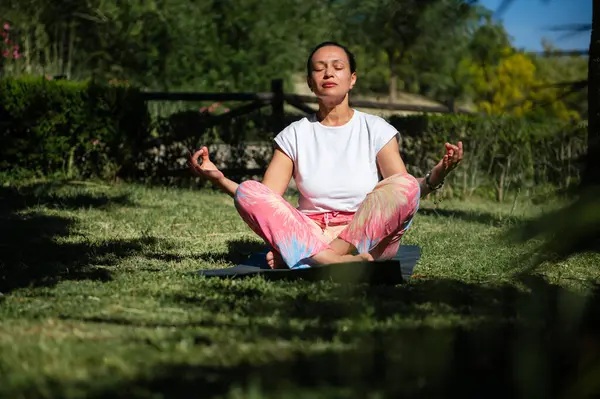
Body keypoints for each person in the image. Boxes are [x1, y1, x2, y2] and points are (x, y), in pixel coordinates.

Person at [188, 41, 463, 269]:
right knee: (249, 191)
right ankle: (332, 261)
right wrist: (219, 179)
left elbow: (403, 194)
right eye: (319, 69)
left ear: (352, 79)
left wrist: (437, 175)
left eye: (338, 67)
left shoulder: (376, 129)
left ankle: (319, 257)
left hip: (368, 239)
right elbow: (267, 199)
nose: (328, 74)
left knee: (403, 183)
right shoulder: (294, 134)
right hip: (310, 232)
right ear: (310, 82)